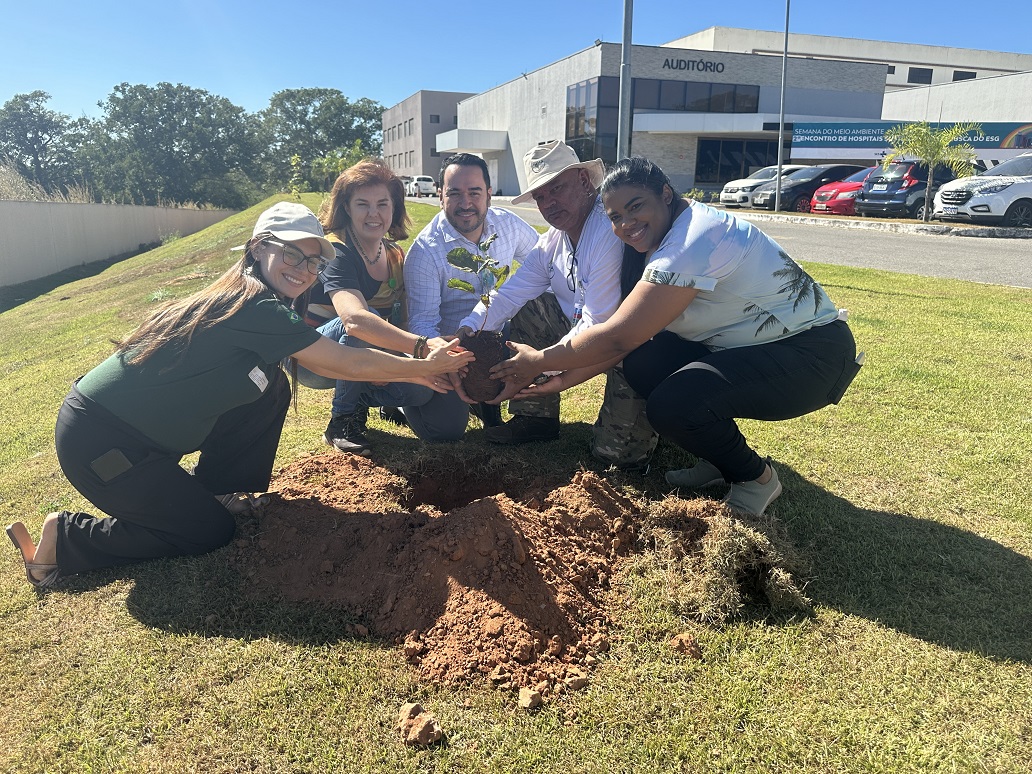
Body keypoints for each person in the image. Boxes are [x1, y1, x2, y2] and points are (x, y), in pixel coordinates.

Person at [5, 202, 473, 588]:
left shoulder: (258, 301)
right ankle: (66, 538)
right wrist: (421, 368)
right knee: (208, 532)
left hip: (136, 437)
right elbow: (341, 361)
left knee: (270, 388)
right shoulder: (253, 304)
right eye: (293, 255)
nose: (304, 270)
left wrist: (418, 367)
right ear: (258, 248)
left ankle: (220, 490)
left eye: (313, 262)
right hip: (102, 443)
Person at [491, 157, 861, 515]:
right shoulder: (659, 237)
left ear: (666, 194)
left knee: (672, 405)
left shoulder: (692, 239)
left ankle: (755, 479)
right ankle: (718, 458)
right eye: (615, 217)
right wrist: (559, 380)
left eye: (636, 206)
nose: (626, 224)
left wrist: (539, 362)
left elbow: (618, 337)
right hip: (746, 346)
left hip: (811, 355)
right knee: (645, 364)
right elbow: (630, 342)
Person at [454, 140, 656, 467]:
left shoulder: (608, 231)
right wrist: (468, 329)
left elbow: (600, 323)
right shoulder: (552, 241)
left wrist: (537, 365)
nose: (548, 203)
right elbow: (511, 294)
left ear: (583, 180)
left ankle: (659, 418)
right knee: (533, 307)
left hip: (634, 342)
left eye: (556, 188)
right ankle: (535, 417)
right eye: (540, 196)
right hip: (587, 330)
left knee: (615, 457)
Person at [298, 159, 465, 455]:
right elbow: (354, 321)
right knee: (367, 321)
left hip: (363, 354)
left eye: (382, 204)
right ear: (346, 207)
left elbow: (402, 320)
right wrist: (421, 349)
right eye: (362, 204)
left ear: (394, 207)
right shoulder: (335, 250)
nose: (373, 214)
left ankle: (369, 398)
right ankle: (342, 421)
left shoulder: (395, 254)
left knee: (425, 391)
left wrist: (403, 365)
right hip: (314, 359)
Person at [404, 153, 539, 430]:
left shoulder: (507, 225)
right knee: (445, 431)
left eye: (474, 192)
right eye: (454, 193)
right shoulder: (425, 251)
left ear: (489, 194)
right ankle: (397, 404)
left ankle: (531, 414)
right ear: (440, 196)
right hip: (453, 348)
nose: (465, 203)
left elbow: (545, 265)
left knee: (541, 306)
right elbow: (423, 325)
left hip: (499, 336)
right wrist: (451, 360)